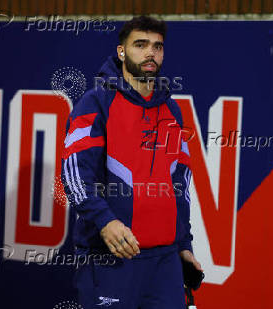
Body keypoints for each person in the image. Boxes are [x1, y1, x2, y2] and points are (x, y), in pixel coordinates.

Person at [60, 15, 202, 309]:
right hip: (110, 258)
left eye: (157, 46)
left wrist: (184, 244)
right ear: (121, 51)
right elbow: (74, 175)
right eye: (141, 44)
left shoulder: (172, 110)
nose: (151, 53)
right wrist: (104, 221)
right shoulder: (96, 102)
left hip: (164, 263)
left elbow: (180, 183)